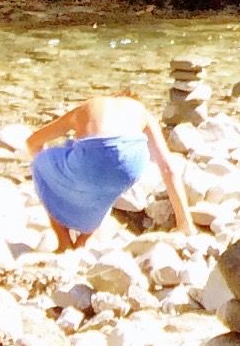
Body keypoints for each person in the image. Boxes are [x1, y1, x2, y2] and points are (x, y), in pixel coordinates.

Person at [26, 95, 193, 249]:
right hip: (130, 164)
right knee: (106, 184)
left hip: (91, 158)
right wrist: (185, 223)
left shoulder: (89, 106)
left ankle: (64, 243)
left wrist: (54, 177)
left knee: (42, 165)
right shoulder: (141, 111)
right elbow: (168, 169)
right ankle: (82, 242)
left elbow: (32, 142)